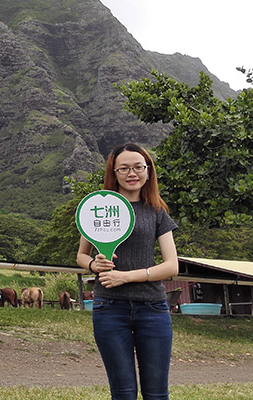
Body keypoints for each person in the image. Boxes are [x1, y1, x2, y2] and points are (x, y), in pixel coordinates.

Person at [76, 142, 179, 400]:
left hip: (153, 308)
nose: (132, 174)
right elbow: (81, 255)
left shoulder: (157, 212)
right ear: (114, 172)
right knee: (122, 392)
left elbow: (171, 266)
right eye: (124, 169)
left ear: (148, 171)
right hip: (109, 308)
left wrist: (126, 276)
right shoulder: (96, 209)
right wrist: (92, 265)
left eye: (138, 167)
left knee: (156, 393)